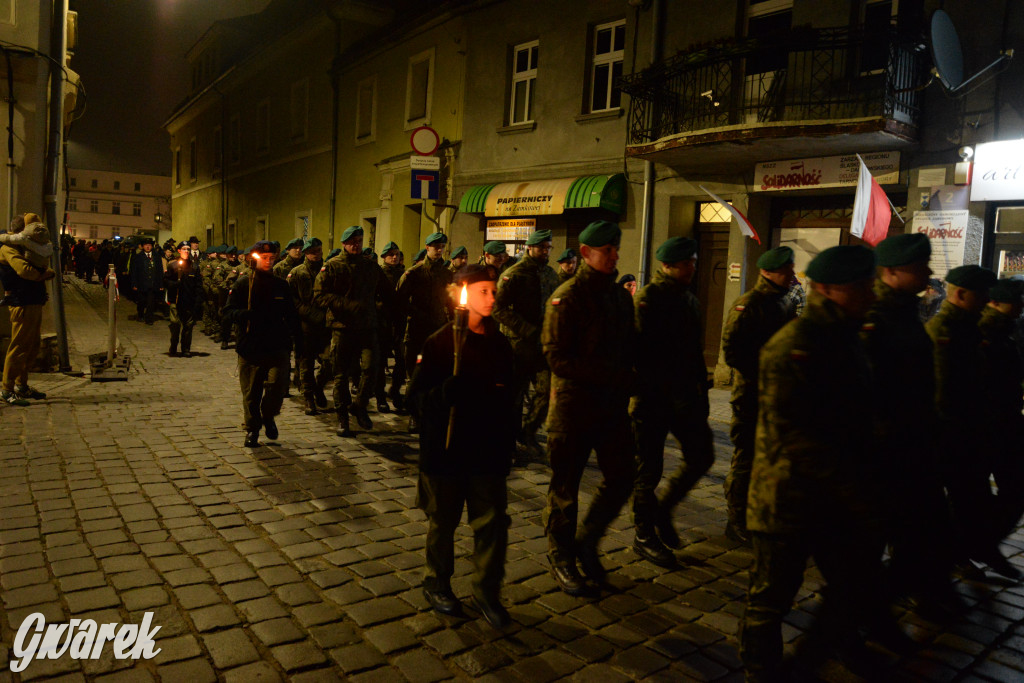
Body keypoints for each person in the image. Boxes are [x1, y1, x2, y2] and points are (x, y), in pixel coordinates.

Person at [741, 245, 905, 682]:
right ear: (831, 290)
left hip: (833, 496)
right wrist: (854, 488)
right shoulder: (793, 346)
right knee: (770, 598)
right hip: (786, 497)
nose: (870, 294)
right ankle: (762, 671)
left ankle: (842, 649)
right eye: (862, 287)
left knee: (849, 585)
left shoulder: (847, 337)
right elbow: (796, 437)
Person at [407, 264, 516, 628]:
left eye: (493, 291)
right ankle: (437, 582)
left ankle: (487, 591)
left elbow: (510, 397)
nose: (490, 298)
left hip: (485, 450)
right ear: (464, 295)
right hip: (446, 451)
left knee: (492, 523)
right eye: (482, 291)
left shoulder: (499, 343)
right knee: (444, 520)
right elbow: (416, 398)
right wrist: (442, 394)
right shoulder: (439, 343)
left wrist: (507, 444)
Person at [541, 220, 636, 595]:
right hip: (573, 408)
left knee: (622, 477)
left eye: (615, 249)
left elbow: (630, 343)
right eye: (606, 250)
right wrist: (611, 375)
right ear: (585, 253)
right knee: (565, 489)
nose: (614, 255)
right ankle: (561, 556)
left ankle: (587, 542)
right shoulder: (567, 297)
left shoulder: (616, 296)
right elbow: (556, 358)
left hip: (611, 408)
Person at [860, 233, 955, 607]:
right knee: (876, 539)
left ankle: (923, 593)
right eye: (920, 267)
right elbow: (864, 390)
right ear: (891, 273)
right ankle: (861, 616)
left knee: (927, 529)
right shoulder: (875, 318)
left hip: (915, 446)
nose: (929, 273)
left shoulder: (905, 312)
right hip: (888, 452)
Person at [925, 264, 1017, 578]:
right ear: (962, 293)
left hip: (973, 435)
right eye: (983, 295)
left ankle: (965, 554)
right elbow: (942, 395)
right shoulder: (944, 333)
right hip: (951, 438)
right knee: (942, 509)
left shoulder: (971, 329)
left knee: (972, 503)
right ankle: (935, 571)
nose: (988, 301)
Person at [629, 237, 715, 567]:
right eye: (685, 263)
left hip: (685, 398)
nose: (691, 268)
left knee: (701, 455)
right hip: (654, 399)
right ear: (667, 266)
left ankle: (662, 511)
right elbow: (636, 352)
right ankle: (643, 534)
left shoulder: (689, 300)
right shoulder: (649, 299)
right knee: (647, 470)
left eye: (693, 262)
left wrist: (700, 394)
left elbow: (694, 355)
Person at [721, 247, 795, 543]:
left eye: (790, 268)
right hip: (751, 394)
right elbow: (732, 351)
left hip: (777, 395)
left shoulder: (784, 301)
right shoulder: (749, 304)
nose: (790, 274)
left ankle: (758, 513)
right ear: (766, 271)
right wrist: (764, 371)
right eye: (785, 269)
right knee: (746, 457)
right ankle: (736, 518)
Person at [314, 226, 394, 436]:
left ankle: (359, 406)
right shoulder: (332, 266)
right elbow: (320, 296)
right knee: (341, 374)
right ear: (344, 244)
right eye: (352, 242)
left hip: (367, 327)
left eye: (359, 241)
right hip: (343, 328)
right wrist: (347, 305)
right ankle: (342, 418)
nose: (356, 245)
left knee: (371, 368)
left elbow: (387, 292)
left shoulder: (370, 266)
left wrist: (380, 311)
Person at [222, 241, 302, 448]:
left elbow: (291, 316)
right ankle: (252, 429)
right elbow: (228, 312)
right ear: (255, 259)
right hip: (251, 347)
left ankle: (268, 415)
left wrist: (297, 339)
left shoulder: (281, 285)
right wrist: (245, 315)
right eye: (264, 258)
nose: (268, 261)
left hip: (277, 346)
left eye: (272, 258)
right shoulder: (243, 284)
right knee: (251, 393)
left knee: (277, 387)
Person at [493, 229, 560, 454]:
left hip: (542, 344)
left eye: (548, 247)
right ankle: (508, 442)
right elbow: (499, 309)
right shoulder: (514, 274)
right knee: (514, 397)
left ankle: (528, 432)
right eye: (542, 247)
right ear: (530, 248)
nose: (546, 251)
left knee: (546, 390)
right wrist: (526, 329)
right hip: (518, 345)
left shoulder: (551, 274)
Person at [979, 278, 1024, 548]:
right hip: (983, 429)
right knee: (971, 496)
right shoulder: (981, 334)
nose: (1020, 308)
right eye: (1015, 303)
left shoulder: (1006, 332)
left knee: (1015, 490)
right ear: (993, 302)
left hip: (1006, 425)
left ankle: (983, 544)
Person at [396, 232, 454, 420]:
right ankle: (414, 414)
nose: (439, 250)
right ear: (427, 248)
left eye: (442, 247)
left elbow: (452, 302)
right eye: (436, 247)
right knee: (415, 373)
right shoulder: (414, 273)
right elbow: (400, 301)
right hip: (417, 330)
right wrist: (417, 314)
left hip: (439, 329)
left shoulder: (447, 274)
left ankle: (432, 411)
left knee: (437, 372)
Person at [0, 213, 55, 406]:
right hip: (21, 303)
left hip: (33, 301)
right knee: (18, 347)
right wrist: (46, 273)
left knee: (31, 347)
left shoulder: (23, 246)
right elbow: (25, 271)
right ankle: (6, 389)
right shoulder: (8, 248)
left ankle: (21, 385)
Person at [288, 237, 329, 415]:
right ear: (306, 253)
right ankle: (308, 397)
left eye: (318, 251)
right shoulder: (297, 273)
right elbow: (292, 300)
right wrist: (310, 314)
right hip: (305, 325)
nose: (316, 255)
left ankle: (319, 386)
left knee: (330, 361)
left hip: (326, 324)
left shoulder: (328, 269)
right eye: (312, 252)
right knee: (306, 363)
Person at [379, 241, 407, 410]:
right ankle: (380, 396)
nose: (395, 257)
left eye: (397, 254)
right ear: (384, 257)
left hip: (400, 321)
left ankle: (395, 390)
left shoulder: (405, 274)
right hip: (382, 321)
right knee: (380, 361)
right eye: (391, 255)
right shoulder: (378, 274)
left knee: (401, 360)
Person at [163, 241, 204, 358]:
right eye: (184, 249)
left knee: (188, 326)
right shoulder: (173, 265)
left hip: (189, 301)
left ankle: (186, 348)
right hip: (175, 301)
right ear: (179, 251)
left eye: (188, 249)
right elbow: (165, 281)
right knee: (175, 324)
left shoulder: (194, 267)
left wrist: (198, 301)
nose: (186, 251)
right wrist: (175, 284)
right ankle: (174, 345)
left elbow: (198, 286)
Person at [130, 237, 163, 324]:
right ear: (143, 246)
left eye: (149, 245)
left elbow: (160, 271)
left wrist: (161, 284)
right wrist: (134, 284)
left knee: (150, 302)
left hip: (153, 284)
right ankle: (140, 314)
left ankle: (149, 318)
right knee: (141, 301)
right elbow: (134, 271)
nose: (148, 247)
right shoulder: (138, 257)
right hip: (141, 284)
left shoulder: (156, 257)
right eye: (146, 245)